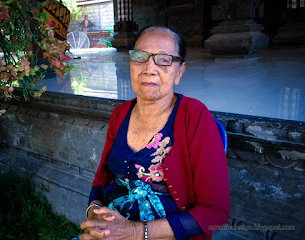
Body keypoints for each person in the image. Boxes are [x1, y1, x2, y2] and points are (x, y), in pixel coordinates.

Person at [75, 26, 230, 240]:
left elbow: (215, 212)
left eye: (164, 59)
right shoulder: (120, 114)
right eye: (140, 57)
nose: (149, 68)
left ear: (180, 71)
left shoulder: (195, 117)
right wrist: (95, 210)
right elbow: (103, 174)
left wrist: (133, 232)